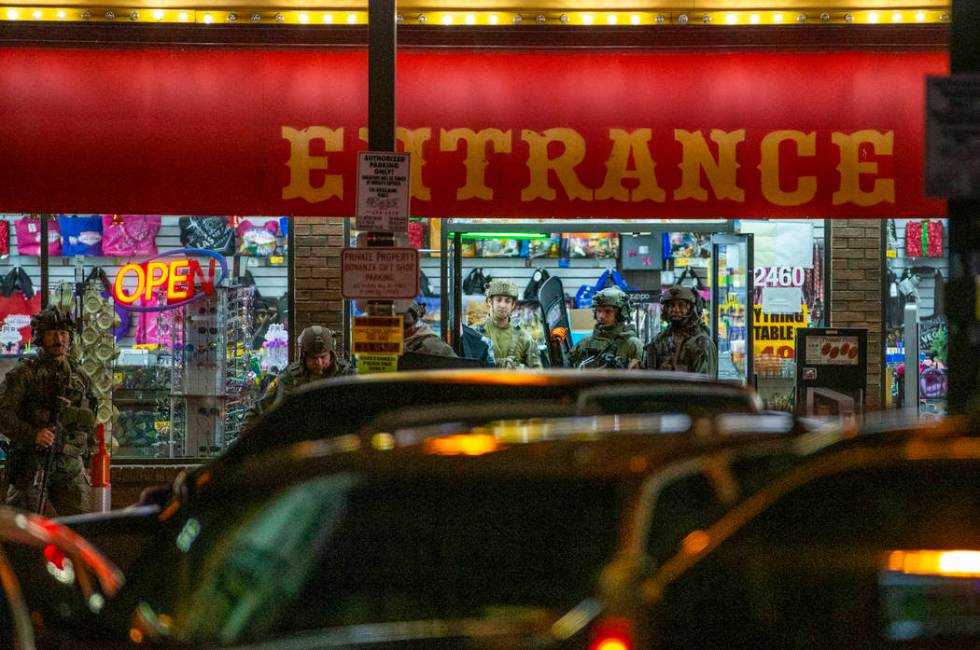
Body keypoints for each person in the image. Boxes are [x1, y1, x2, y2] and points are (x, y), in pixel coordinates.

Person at [0, 307, 97, 515]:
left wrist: (88, 458)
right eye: (52, 333)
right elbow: (3, 415)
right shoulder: (24, 374)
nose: (58, 339)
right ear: (39, 337)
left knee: (82, 529)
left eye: (63, 333)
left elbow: (89, 418)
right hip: (31, 465)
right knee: (24, 534)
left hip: (69, 466)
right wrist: (33, 434)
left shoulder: (79, 377)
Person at [245, 325, 352, 426]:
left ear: (331, 356)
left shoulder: (347, 379)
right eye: (313, 358)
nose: (319, 363)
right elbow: (256, 412)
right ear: (304, 357)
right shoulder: (288, 380)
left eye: (323, 357)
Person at [644, 286, 717, 377]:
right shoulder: (660, 339)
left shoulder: (701, 343)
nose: (675, 310)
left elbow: (704, 385)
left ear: (692, 309)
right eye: (671, 305)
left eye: (681, 305)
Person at [569, 287, 644, 369]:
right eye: (599, 311)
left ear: (621, 314)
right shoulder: (585, 342)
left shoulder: (632, 345)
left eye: (608, 311)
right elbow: (565, 368)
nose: (601, 316)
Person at [474, 280, 541, 369]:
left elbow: (537, 373)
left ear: (513, 305)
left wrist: (520, 370)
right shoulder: (474, 334)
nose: (503, 305)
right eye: (498, 300)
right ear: (490, 301)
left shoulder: (524, 337)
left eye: (507, 301)